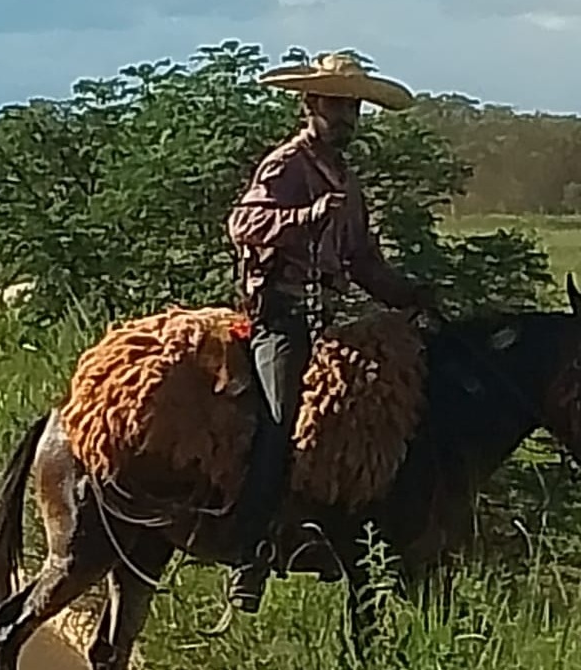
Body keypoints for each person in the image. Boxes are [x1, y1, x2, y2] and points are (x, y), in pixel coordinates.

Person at [223, 53, 437, 614]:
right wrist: (307, 216)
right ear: (310, 105)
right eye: (337, 105)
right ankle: (249, 555)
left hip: (328, 320)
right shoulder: (287, 165)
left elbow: (363, 260)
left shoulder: (349, 180)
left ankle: (339, 533)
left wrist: (408, 294)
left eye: (353, 108)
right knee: (280, 420)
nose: (346, 117)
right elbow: (244, 224)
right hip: (281, 319)